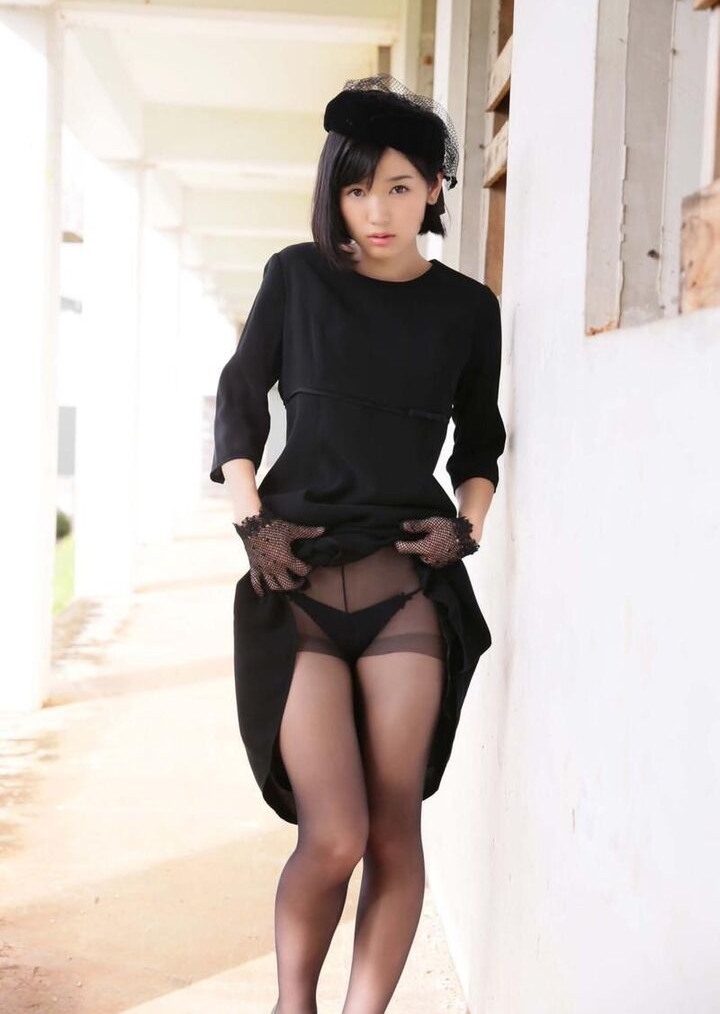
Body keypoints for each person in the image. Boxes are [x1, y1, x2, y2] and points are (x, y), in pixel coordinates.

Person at [209, 74, 506, 1014]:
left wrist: (466, 527)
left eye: (400, 187)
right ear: (334, 194)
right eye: (357, 188)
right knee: (333, 834)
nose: (377, 211)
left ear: (435, 190)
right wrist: (251, 518)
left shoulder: (468, 309)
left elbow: (481, 443)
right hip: (295, 579)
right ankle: (292, 1005)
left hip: (404, 587)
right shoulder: (298, 278)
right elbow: (240, 397)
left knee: (392, 831)